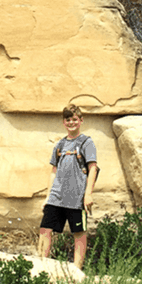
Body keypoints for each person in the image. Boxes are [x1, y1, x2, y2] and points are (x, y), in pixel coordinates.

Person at [38, 104, 99, 269]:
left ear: (81, 121)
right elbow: (53, 171)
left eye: (74, 119)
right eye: (68, 120)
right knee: (45, 229)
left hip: (77, 198)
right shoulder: (59, 145)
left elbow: (92, 168)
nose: (71, 123)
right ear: (64, 122)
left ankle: (77, 270)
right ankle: (41, 266)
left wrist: (88, 195)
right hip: (56, 196)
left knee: (79, 233)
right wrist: (47, 197)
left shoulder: (86, 142)